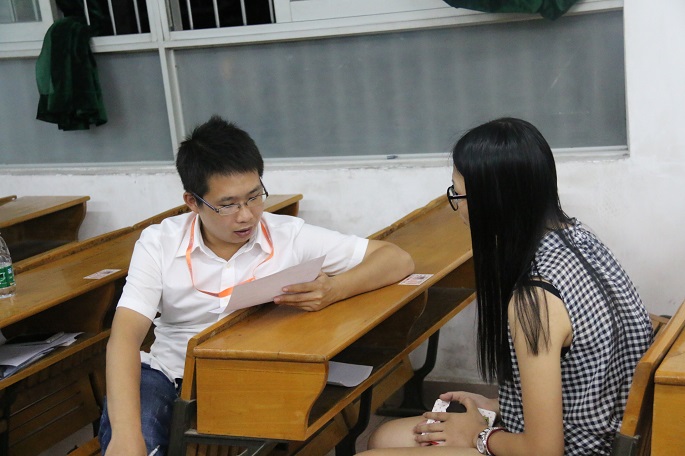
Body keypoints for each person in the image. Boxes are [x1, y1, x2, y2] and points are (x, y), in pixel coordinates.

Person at [98, 115, 415, 456]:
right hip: (168, 373)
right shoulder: (159, 242)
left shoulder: (288, 237)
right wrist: (126, 435)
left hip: (250, 375)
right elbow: (125, 337)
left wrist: (335, 290)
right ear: (192, 202)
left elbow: (396, 259)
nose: (246, 215)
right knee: (134, 437)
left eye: (254, 197)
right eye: (228, 204)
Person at [360, 118, 652, 456]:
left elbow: (544, 451)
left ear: (493, 201)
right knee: (384, 437)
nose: (457, 206)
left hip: (577, 449)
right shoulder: (580, 238)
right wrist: (500, 404)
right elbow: (583, 382)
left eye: (458, 194)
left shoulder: (535, 299)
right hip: (603, 429)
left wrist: (478, 435)